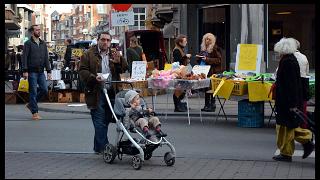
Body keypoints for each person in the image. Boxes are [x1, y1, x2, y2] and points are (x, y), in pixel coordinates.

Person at [79, 31, 128, 154]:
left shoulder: (114, 54)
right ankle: (105, 148)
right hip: (96, 91)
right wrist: (93, 77)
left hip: (112, 90)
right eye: (103, 40)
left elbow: (124, 69)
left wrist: (119, 61)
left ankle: (97, 147)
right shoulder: (88, 54)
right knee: (99, 120)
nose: (105, 42)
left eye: (108, 40)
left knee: (105, 120)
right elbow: (82, 71)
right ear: (98, 40)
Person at [272, 37, 314, 162]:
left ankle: (303, 142)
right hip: (288, 100)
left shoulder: (287, 62)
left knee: (286, 127)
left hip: (286, 101)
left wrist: (292, 103)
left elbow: (291, 84)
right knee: (287, 126)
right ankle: (292, 149)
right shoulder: (290, 60)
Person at [22, 25, 52, 120]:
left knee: (44, 90)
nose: (39, 31)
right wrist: (25, 70)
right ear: (32, 32)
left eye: (39, 30)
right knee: (33, 92)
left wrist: (49, 71)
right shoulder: (28, 43)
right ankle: (35, 113)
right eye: (37, 30)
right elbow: (24, 58)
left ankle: (31, 104)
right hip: (32, 72)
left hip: (41, 71)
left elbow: (46, 58)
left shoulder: (43, 43)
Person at [196, 33, 223, 112]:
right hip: (204, 71)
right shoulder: (203, 48)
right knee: (206, 88)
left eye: (209, 39)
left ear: (212, 40)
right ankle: (206, 105)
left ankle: (212, 104)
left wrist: (207, 59)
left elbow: (219, 60)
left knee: (211, 88)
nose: (207, 41)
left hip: (212, 71)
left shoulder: (214, 48)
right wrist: (199, 58)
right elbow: (200, 60)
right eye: (206, 39)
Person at [289, 38, 310, 129]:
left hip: (293, 82)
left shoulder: (289, 57)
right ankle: (302, 124)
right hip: (303, 82)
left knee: (292, 105)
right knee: (302, 105)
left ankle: (292, 124)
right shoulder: (304, 56)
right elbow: (307, 72)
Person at [172, 34, 191, 112]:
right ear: (180, 42)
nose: (186, 42)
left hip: (182, 71)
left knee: (182, 88)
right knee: (178, 89)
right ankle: (177, 106)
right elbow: (178, 62)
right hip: (178, 72)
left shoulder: (180, 49)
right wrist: (186, 57)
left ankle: (179, 104)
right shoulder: (177, 50)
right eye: (185, 41)